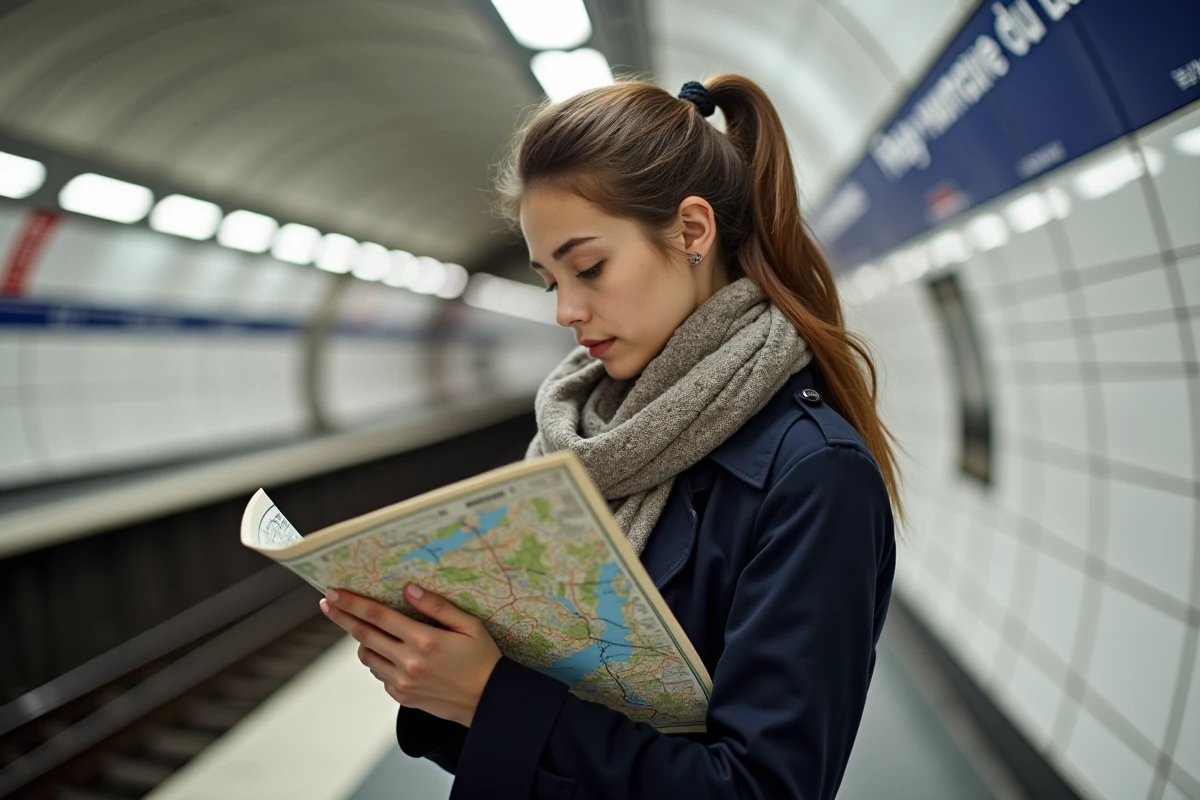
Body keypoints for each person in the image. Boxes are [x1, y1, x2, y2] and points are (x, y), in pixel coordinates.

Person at [319, 75, 904, 800]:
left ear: (692, 232)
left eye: (589, 267)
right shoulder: (584, 439)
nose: (567, 309)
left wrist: (489, 697)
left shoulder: (813, 475)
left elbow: (761, 789)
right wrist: (439, 676)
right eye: (549, 281)